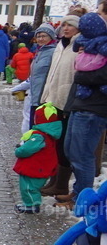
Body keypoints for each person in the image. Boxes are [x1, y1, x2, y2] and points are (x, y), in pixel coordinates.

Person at [63, 12, 107, 207]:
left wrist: (81, 76)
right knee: (71, 151)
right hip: (81, 105)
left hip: (94, 109)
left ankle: (83, 200)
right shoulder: (87, 45)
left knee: (82, 155)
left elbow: (99, 76)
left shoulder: (103, 46)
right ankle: (77, 193)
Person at [40, 15, 80, 202]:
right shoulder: (59, 45)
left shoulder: (78, 46)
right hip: (52, 99)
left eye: (70, 25)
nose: (65, 28)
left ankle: (62, 184)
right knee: (54, 142)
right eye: (64, 24)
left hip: (66, 101)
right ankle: (53, 180)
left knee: (64, 144)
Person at [12, 103, 62, 213]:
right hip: (40, 167)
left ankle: (31, 205)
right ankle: (31, 203)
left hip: (34, 168)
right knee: (33, 187)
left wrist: (18, 150)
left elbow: (26, 150)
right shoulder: (49, 134)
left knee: (29, 187)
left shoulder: (39, 136)